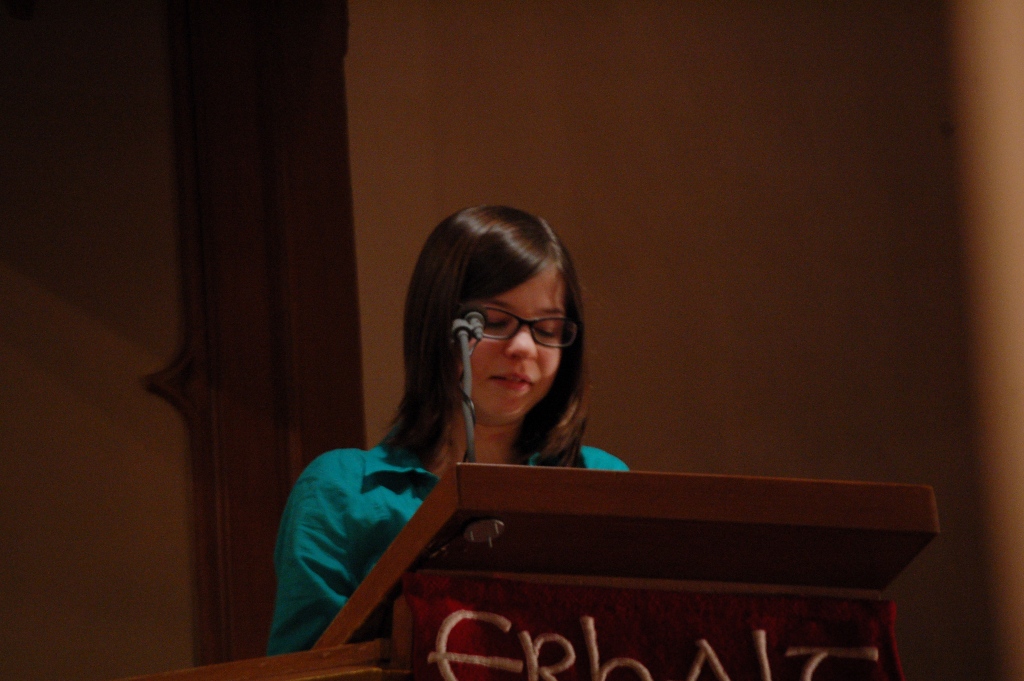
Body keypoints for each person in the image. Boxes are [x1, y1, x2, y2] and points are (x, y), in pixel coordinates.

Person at [267, 205, 628, 654]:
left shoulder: (601, 481)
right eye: (495, 322)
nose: (524, 347)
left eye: (549, 328)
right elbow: (303, 671)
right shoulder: (339, 492)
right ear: (436, 323)